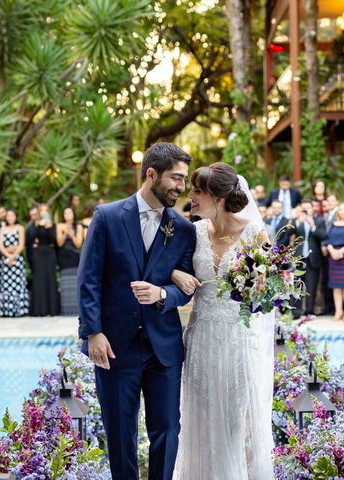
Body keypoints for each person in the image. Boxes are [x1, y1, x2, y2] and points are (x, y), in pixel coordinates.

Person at [78, 143, 196, 480]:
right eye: (176, 178)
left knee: (167, 431)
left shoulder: (183, 230)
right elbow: (89, 280)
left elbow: (184, 291)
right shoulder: (107, 217)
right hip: (114, 346)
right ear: (151, 174)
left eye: (184, 180)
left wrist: (163, 292)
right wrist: (93, 332)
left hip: (164, 349)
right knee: (120, 434)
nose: (181, 187)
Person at [169, 161, 274, 479]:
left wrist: (261, 284)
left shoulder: (255, 233)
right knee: (198, 421)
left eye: (197, 191)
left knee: (232, 423)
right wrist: (174, 273)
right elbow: (168, 268)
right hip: (200, 340)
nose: (191, 196)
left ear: (218, 197)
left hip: (236, 341)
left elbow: (267, 294)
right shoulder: (194, 232)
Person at [292, 200, 327, 319]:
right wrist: (297, 222)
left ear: (313, 209)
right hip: (299, 258)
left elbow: (323, 236)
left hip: (313, 258)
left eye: (309, 207)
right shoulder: (297, 220)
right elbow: (287, 234)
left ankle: (309, 311)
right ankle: (296, 312)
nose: (307, 210)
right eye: (304, 208)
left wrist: (313, 227)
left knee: (311, 286)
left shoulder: (319, 221)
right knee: (296, 285)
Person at [29, 204, 60, 316]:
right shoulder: (35, 224)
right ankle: (39, 310)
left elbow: (53, 240)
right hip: (38, 255)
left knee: (50, 279)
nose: (43, 212)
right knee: (39, 280)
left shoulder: (53, 224)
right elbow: (32, 238)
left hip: (50, 254)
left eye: (46, 210)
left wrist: (47, 227)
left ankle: (52, 310)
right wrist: (39, 227)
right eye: (41, 210)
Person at [0, 210, 29, 317]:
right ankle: (7, 310)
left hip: (17, 260)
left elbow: (21, 245)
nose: (10, 218)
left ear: (15, 217)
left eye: (12, 215)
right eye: (8, 216)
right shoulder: (3, 229)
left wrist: (13, 255)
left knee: (17, 285)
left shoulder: (20, 228)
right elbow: (0, 245)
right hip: (6, 261)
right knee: (6, 285)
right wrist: (8, 256)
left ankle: (19, 310)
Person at [57, 207, 83, 316]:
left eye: (69, 212)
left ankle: (76, 309)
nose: (67, 214)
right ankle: (66, 309)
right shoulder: (59, 226)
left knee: (74, 282)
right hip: (63, 256)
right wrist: (65, 233)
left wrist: (72, 234)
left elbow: (78, 244)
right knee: (65, 282)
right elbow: (59, 243)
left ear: (73, 214)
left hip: (74, 256)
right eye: (65, 212)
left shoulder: (79, 226)